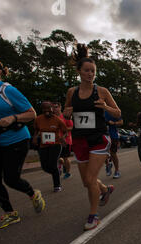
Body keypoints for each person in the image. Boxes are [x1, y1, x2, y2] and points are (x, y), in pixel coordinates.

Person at [0, 55, 45, 229]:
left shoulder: (7, 90)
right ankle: (10, 213)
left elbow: (31, 113)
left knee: (11, 178)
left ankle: (32, 193)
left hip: (15, 139)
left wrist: (13, 117)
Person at [63, 44, 119, 230]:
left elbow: (118, 113)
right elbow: (65, 113)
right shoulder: (72, 92)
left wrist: (105, 108)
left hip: (98, 138)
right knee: (87, 182)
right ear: (79, 71)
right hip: (79, 139)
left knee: (90, 177)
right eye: (86, 70)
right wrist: (67, 113)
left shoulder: (102, 91)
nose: (90, 74)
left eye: (93, 71)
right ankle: (104, 189)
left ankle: (93, 216)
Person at [33, 101, 68, 192]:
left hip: (56, 144)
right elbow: (36, 130)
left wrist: (63, 138)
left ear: (52, 109)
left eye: (48, 108)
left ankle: (57, 185)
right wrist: (35, 137)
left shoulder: (57, 119)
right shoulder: (38, 119)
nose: (46, 110)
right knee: (44, 166)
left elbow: (65, 131)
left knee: (52, 164)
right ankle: (56, 172)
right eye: (44, 109)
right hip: (43, 145)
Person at [52, 102, 74, 180]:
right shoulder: (52, 117)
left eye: (56, 107)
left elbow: (71, 127)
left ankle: (68, 173)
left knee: (65, 157)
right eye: (53, 107)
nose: (55, 109)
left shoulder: (65, 116)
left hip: (66, 140)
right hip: (56, 140)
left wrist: (62, 128)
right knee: (56, 157)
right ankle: (62, 166)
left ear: (60, 107)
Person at [104, 110, 123, 179]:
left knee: (113, 153)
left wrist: (114, 123)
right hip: (103, 135)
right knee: (102, 153)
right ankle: (108, 164)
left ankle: (117, 171)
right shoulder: (101, 110)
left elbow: (121, 122)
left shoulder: (115, 111)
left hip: (113, 135)